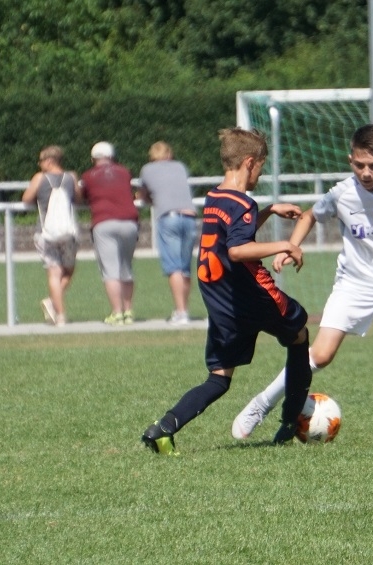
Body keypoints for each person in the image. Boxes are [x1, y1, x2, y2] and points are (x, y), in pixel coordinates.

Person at [232, 124, 373, 439]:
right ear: (350, 160)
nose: (366, 172)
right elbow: (309, 216)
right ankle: (260, 405)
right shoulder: (342, 193)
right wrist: (292, 246)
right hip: (353, 286)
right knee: (320, 355)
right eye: (359, 165)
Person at [141, 128, 312, 455]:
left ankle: (163, 428)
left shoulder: (216, 197)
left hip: (221, 301)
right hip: (253, 295)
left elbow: (235, 233)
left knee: (219, 379)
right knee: (299, 335)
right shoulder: (243, 202)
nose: (259, 175)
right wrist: (286, 245)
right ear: (249, 163)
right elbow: (237, 250)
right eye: (260, 167)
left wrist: (269, 210)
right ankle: (290, 423)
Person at [138, 141, 198, 325]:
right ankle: (184, 309)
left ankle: (181, 312)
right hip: (190, 217)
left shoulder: (147, 169)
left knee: (174, 267)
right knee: (185, 268)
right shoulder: (180, 166)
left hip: (168, 217)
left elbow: (143, 195)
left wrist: (150, 199)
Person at [22, 145, 83, 326]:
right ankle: (53, 304)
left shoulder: (39, 178)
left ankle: (59, 314)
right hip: (68, 232)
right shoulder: (71, 177)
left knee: (54, 273)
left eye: (41, 160)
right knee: (69, 270)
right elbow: (79, 199)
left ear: (49, 161)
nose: (39, 164)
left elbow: (26, 199)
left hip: (45, 232)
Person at [82, 141, 139, 325]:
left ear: (93, 158)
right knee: (126, 269)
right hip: (129, 222)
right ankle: (128, 311)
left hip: (104, 222)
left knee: (110, 271)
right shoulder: (124, 172)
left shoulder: (88, 176)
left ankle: (117, 313)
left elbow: (84, 196)